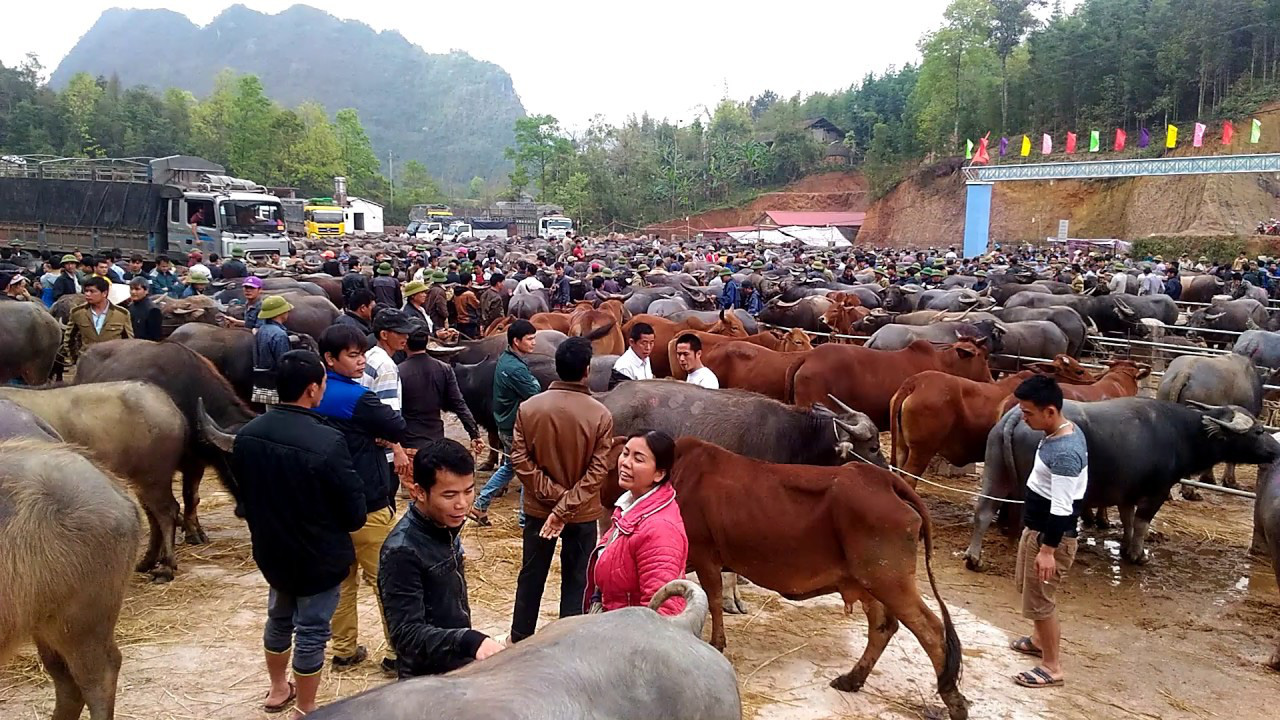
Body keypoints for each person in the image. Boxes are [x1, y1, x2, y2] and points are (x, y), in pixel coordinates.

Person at [230, 350, 368, 716]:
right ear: (312, 389)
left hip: (272, 550)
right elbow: (354, 512)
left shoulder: (246, 436)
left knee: (278, 617)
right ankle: (306, 707)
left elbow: (243, 497)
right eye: (322, 382)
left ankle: (278, 690)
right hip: (318, 556)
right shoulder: (327, 442)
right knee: (311, 631)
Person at [313, 325, 407, 675]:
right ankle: (398, 650)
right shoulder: (358, 398)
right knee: (386, 580)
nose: (361, 361)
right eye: (353, 355)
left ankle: (344, 649)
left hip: (327, 507)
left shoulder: (313, 395)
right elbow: (396, 424)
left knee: (342, 582)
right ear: (330, 358)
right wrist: (378, 435)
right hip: (367, 503)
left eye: (362, 353)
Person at [508, 337, 614, 643]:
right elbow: (598, 472)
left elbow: (520, 460)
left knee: (531, 575)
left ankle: (520, 637)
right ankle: (568, 643)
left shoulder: (529, 409)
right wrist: (567, 505)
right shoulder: (600, 415)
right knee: (577, 579)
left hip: (538, 510)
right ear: (587, 370)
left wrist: (553, 502)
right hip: (582, 513)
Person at [379, 439, 505, 677]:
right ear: (419, 492)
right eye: (449, 495)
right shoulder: (402, 551)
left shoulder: (445, 526)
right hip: (426, 681)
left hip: (455, 668)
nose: (462, 504)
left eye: (468, 491)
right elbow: (406, 636)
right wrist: (467, 640)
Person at [1007, 375, 1086, 689]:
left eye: (1028, 413)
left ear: (1050, 411)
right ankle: (1039, 641)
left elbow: (1063, 508)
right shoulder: (1057, 433)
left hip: (1050, 536)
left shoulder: (1065, 453)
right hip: (1038, 530)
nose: (1023, 418)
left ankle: (1052, 668)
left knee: (1042, 601)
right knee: (1033, 594)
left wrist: (1047, 550)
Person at [584, 430, 688, 615]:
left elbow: (662, 612)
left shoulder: (660, 530)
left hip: (629, 636)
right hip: (616, 621)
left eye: (638, 459)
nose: (625, 463)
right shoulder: (629, 507)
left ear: (659, 474)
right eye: (625, 453)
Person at [470, 320, 542, 526]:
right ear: (516, 341)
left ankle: (481, 504)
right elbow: (534, 390)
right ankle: (523, 519)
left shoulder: (506, 359)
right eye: (529, 339)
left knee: (510, 466)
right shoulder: (515, 368)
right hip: (515, 426)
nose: (533, 343)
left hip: (506, 424)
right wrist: (533, 381)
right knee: (527, 469)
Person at [399, 326, 483, 452]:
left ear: (405, 343)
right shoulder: (444, 369)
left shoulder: (398, 371)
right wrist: (474, 434)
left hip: (409, 444)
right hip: (435, 441)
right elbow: (458, 404)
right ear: (428, 340)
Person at [363, 309, 416, 484]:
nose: (406, 336)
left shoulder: (370, 356)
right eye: (400, 332)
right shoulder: (386, 366)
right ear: (384, 334)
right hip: (384, 454)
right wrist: (397, 449)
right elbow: (388, 414)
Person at [60, 276, 133, 366]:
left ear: (104, 293)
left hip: (113, 363)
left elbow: (129, 342)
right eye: (86, 291)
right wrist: (76, 360)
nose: (87, 294)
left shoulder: (121, 314)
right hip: (88, 363)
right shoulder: (78, 313)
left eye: (92, 291)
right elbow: (69, 339)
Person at [251, 296, 294, 405]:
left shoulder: (261, 330)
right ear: (280, 313)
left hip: (264, 382)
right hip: (278, 384)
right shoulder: (279, 335)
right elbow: (283, 363)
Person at [609, 322, 655, 389]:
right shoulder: (624, 368)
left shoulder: (645, 358)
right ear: (632, 342)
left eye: (651, 343)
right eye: (644, 343)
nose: (648, 348)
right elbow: (622, 396)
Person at [453, 273, 480, 338]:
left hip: (459, 321)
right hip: (469, 322)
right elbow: (477, 305)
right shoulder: (469, 294)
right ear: (470, 281)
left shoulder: (456, 293)